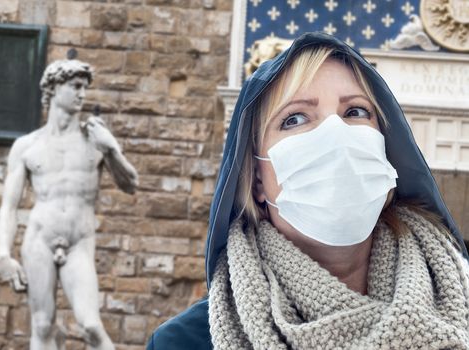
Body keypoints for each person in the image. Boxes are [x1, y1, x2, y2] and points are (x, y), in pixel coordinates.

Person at [147, 32, 469, 349]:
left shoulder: (458, 307)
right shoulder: (186, 342)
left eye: (355, 112)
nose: (336, 134)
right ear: (257, 180)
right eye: (295, 119)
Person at [0, 59, 138, 350]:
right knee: (42, 324)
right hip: (38, 240)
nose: (82, 94)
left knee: (91, 325)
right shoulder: (27, 146)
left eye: (84, 87)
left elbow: (130, 184)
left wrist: (112, 148)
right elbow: (9, 207)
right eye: (75, 87)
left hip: (78, 243)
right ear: (54, 88)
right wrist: (2, 254)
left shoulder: (94, 140)